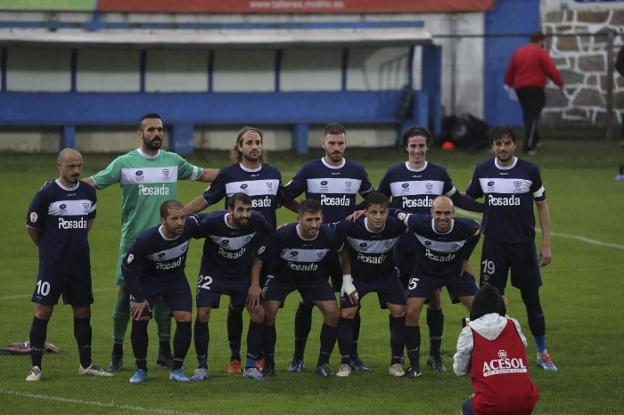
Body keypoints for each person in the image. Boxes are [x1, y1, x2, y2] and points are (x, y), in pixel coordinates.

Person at [84, 113, 217, 372]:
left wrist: (234, 174)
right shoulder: (125, 163)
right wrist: (61, 187)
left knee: (166, 297)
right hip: (133, 241)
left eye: (160, 130)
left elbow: (203, 174)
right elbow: (94, 182)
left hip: (166, 242)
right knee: (125, 295)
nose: (157, 134)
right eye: (151, 130)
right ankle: (117, 351)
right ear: (140, 133)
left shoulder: (173, 161)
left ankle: (164, 350)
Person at [183, 126, 296, 374]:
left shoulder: (273, 173)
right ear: (239, 147)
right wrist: (179, 215)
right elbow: (206, 199)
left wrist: (311, 216)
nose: (254, 147)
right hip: (236, 251)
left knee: (264, 309)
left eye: (258, 142)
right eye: (249, 143)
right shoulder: (228, 175)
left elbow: (285, 199)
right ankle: (235, 358)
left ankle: (262, 360)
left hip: (264, 252)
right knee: (237, 306)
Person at [377, 126, 483, 372]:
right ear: (406, 148)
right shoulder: (393, 174)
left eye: (421, 146)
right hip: (403, 248)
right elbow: (378, 203)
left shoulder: (438, 173)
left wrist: (487, 208)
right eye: (412, 146)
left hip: (436, 247)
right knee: (402, 302)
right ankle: (398, 359)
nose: (417, 150)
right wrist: (357, 210)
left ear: (427, 147)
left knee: (435, 299)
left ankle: (434, 356)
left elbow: (457, 200)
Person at [283, 122, 375, 372]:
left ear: (346, 144)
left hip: (347, 248)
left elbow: (375, 201)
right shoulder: (309, 170)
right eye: (332, 143)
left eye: (341, 143)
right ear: (323, 144)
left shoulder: (356, 171)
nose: (336, 147)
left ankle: (351, 356)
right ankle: (298, 358)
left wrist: (360, 211)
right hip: (317, 249)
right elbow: (283, 195)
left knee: (352, 302)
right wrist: (304, 214)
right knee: (308, 301)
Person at [465, 125, 556, 371]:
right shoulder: (483, 170)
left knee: (531, 299)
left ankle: (542, 352)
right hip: (494, 246)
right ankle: (484, 353)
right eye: (498, 143)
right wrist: (483, 210)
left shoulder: (529, 170)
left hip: (523, 246)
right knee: (487, 301)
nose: (502, 148)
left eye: (507, 143)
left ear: (514, 145)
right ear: (492, 146)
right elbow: (468, 197)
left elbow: (542, 206)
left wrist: (545, 244)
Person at [25, 148, 112, 381]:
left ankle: (86, 364)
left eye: (79, 166)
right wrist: (49, 249)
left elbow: (88, 222)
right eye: (71, 166)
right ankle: (36, 367)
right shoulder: (47, 194)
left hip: (80, 264)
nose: (76, 171)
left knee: (83, 310)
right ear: (59, 166)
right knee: (43, 310)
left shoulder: (88, 192)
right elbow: (33, 228)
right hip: (52, 265)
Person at [189, 193, 273, 382]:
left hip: (241, 275)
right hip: (214, 272)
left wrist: (255, 283)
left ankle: (250, 367)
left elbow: (269, 240)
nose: (245, 214)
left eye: (248, 209)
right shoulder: (212, 222)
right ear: (230, 210)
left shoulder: (257, 220)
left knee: (258, 311)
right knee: (203, 313)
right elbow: (188, 228)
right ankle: (201, 367)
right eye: (240, 210)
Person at [397, 195, 481, 377]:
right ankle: (414, 367)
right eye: (438, 213)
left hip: (455, 272)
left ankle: (438, 356)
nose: (442, 217)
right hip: (425, 273)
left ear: (453, 213)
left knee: (479, 309)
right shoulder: (418, 223)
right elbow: (396, 213)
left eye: (447, 213)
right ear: (431, 213)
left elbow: (477, 230)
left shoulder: (465, 226)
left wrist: (465, 259)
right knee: (411, 311)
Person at [255, 199, 340, 377]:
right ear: (299, 219)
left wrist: (343, 281)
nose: (314, 224)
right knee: (268, 312)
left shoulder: (329, 235)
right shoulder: (283, 235)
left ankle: (323, 363)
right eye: (309, 220)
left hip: (313, 278)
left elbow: (340, 256)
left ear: (322, 218)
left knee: (333, 313)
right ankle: (269, 364)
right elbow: (260, 259)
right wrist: (256, 284)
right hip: (282, 278)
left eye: (317, 219)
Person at [121, 200, 198, 383]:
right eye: (174, 219)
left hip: (175, 280)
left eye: (182, 217)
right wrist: (139, 298)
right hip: (147, 282)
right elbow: (127, 267)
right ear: (163, 220)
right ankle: (141, 370)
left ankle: (177, 369)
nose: (180, 222)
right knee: (140, 318)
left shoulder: (189, 227)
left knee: (185, 318)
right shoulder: (147, 240)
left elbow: (212, 221)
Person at [334, 192, 407, 378]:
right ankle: (345, 362)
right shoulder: (349, 226)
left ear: (387, 212)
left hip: (387, 276)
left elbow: (420, 223)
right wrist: (347, 280)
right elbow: (340, 249)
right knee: (347, 313)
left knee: (400, 311)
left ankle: (397, 362)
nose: (378, 217)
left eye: (382, 212)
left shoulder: (396, 225)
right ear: (364, 212)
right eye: (373, 212)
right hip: (359, 277)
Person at [453, 284, 540, 415]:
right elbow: (523, 345)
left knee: (468, 406)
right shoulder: (513, 324)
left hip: (490, 405)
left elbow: (459, 370)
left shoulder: (470, 331)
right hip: (526, 401)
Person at [504, 31, 564, 154]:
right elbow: (551, 69)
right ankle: (529, 145)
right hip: (535, 87)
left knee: (529, 114)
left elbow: (511, 70)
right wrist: (560, 83)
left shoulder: (519, 52)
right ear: (541, 41)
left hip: (520, 88)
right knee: (533, 115)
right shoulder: (540, 52)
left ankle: (535, 139)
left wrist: (508, 84)